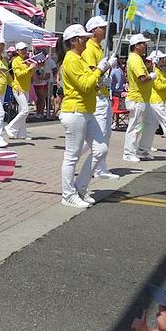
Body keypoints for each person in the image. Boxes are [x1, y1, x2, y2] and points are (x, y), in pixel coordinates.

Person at [59, 24, 111, 209]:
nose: (86, 39)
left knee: (101, 149)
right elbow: (84, 85)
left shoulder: (78, 58)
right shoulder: (71, 59)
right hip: (75, 111)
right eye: (83, 37)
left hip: (86, 111)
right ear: (73, 41)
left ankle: (80, 187)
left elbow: (90, 85)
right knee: (72, 156)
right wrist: (100, 70)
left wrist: (100, 80)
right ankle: (68, 194)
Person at [83, 17, 118, 180]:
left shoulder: (98, 48)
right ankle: (99, 169)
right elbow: (93, 72)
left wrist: (106, 76)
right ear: (93, 30)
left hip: (103, 95)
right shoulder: (89, 48)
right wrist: (107, 67)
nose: (105, 30)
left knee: (105, 134)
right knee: (101, 134)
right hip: (96, 97)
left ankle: (97, 166)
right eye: (102, 27)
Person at [123, 34, 157, 163]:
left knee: (150, 122)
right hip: (137, 98)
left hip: (143, 98)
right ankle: (128, 152)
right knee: (135, 126)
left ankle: (142, 149)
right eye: (143, 43)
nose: (145, 45)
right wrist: (152, 76)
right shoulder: (135, 59)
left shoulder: (137, 59)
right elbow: (142, 79)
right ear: (136, 45)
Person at [4, 42, 34, 141]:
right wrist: (29, 68)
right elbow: (18, 74)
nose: (24, 51)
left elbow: (30, 75)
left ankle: (22, 134)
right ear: (17, 51)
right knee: (25, 110)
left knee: (23, 111)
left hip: (26, 88)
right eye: (22, 50)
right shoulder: (16, 61)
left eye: (25, 49)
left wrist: (32, 67)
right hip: (18, 88)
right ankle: (10, 127)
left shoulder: (26, 60)